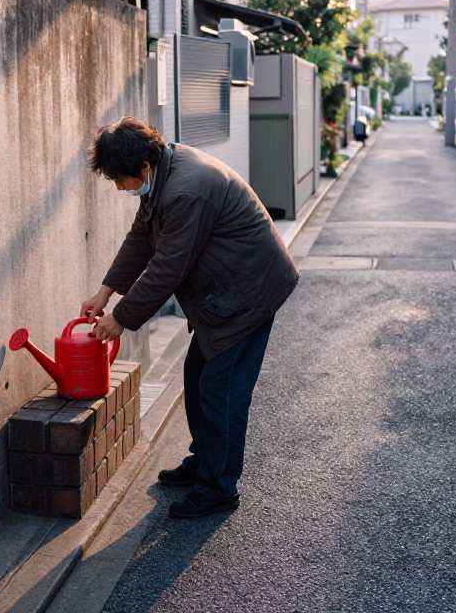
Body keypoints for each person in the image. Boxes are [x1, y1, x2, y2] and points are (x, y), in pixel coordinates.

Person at [81, 117, 299, 518]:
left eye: (121, 180)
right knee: (197, 376)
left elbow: (168, 267)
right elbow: (140, 238)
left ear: (143, 167)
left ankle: (218, 488)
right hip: (227, 290)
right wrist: (105, 291)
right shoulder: (162, 172)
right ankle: (206, 462)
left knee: (221, 391)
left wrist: (121, 318)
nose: (119, 188)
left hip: (248, 293)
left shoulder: (185, 190)